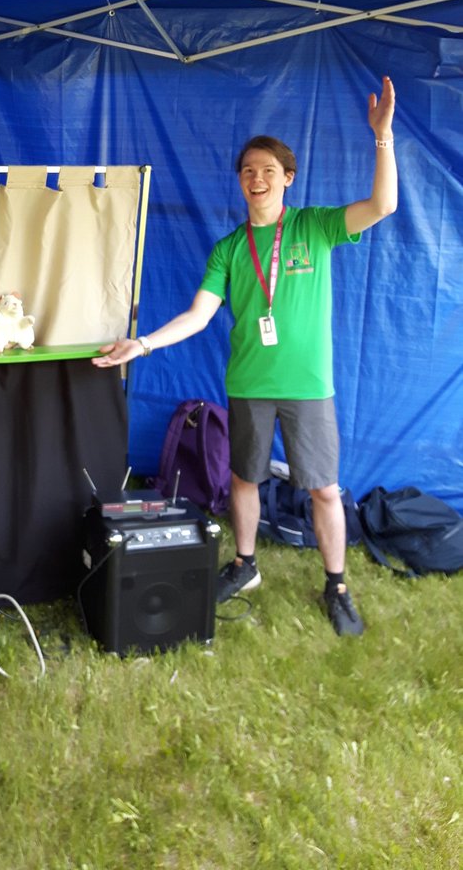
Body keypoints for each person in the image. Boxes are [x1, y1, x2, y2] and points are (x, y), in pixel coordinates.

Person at [93, 78, 397, 637]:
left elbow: (384, 205)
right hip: (249, 383)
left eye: (267, 170)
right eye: (247, 171)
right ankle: (246, 563)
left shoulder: (315, 226)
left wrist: (383, 138)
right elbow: (199, 315)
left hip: (309, 386)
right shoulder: (230, 249)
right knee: (244, 480)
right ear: (240, 182)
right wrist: (142, 343)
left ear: (288, 178)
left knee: (324, 488)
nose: (256, 179)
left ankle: (336, 583)